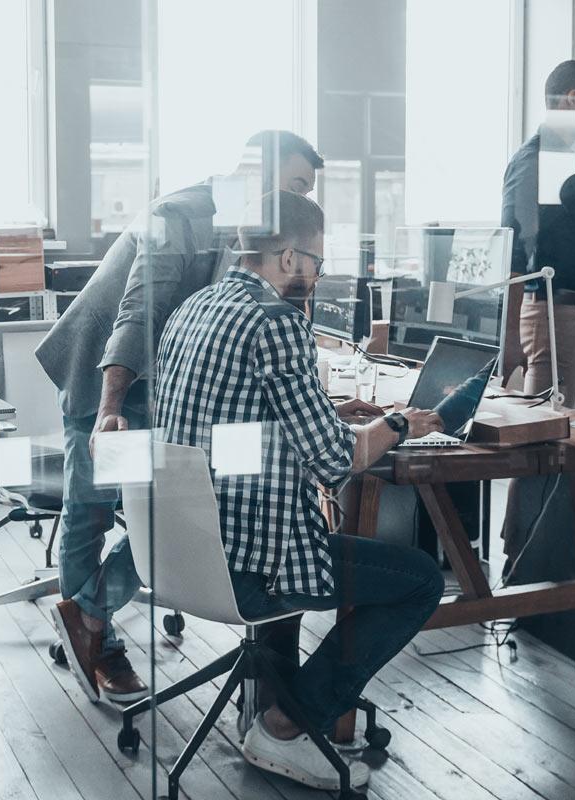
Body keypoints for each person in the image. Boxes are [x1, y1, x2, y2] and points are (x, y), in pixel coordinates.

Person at [152, 190, 445, 791]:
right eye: (316, 260)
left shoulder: (193, 308)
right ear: (288, 257)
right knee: (420, 580)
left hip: (182, 553)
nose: (317, 273)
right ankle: (288, 721)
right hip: (248, 565)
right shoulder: (276, 322)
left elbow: (233, 424)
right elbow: (337, 461)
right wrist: (397, 425)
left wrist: (331, 415)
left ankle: (283, 709)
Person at [34, 130, 323, 705]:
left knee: (176, 504)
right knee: (91, 508)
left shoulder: (257, 235)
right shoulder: (181, 216)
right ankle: (98, 646)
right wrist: (110, 407)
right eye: (294, 185)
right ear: (253, 170)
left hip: (165, 377)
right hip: (104, 370)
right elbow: (139, 312)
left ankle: (84, 614)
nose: (297, 201)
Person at [500, 59, 575, 408]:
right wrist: (509, 336)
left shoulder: (559, 159)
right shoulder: (536, 159)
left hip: (571, 312)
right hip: (552, 313)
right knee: (547, 435)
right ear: (572, 98)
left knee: (563, 428)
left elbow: (553, 241)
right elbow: (515, 247)